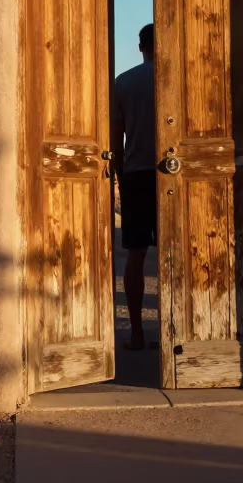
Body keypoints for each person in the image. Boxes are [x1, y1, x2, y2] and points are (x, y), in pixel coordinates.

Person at [112, 23, 157, 351]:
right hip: (176, 175)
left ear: (140, 46)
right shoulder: (177, 79)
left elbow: (116, 138)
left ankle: (138, 333)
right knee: (178, 256)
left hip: (137, 175)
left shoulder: (124, 83)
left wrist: (119, 175)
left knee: (136, 256)